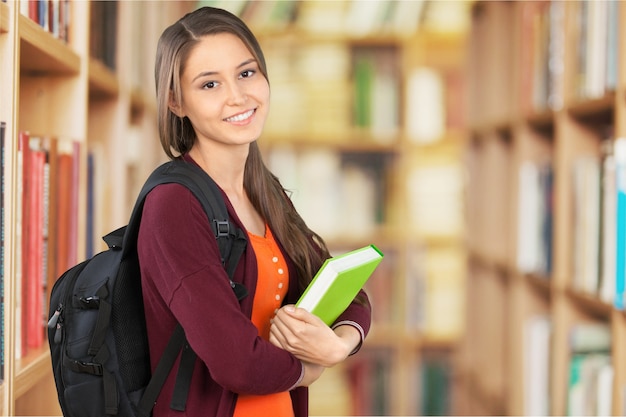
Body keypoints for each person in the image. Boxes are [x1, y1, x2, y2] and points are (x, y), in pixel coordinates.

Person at [137, 6, 372, 417]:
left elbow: (344, 289)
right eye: (209, 84)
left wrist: (339, 344)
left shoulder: (264, 191)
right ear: (176, 101)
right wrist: (308, 368)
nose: (238, 96)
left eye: (246, 73)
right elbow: (236, 363)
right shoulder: (172, 204)